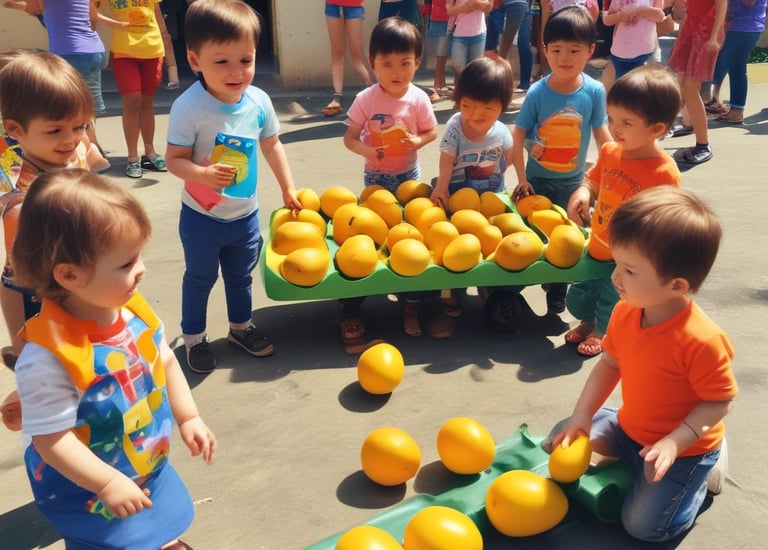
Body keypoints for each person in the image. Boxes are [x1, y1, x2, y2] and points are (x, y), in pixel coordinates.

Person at [12, 168, 216, 549]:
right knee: (107, 542)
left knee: (153, 524)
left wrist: (189, 416)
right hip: (88, 491)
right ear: (70, 275)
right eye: (125, 265)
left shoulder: (133, 313)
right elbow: (51, 440)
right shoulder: (50, 356)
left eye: (137, 257)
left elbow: (165, 361)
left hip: (142, 465)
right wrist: (106, 482)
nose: (141, 271)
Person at [545, 185, 737, 541]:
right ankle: (625, 451)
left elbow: (718, 401)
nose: (615, 277)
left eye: (630, 271)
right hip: (629, 428)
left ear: (677, 285)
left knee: (645, 528)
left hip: (682, 449)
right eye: (617, 263)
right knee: (562, 434)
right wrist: (583, 414)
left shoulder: (702, 340)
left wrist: (676, 442)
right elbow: (609, 366)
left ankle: (706, 472)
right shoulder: (625, 311)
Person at [166, 0, 301, 373]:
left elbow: (272, 145)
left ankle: (241, 328)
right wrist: (203, 175)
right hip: (201, 216)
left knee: (241, 276)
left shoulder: (258, 101)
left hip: (244, 213)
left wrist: (288, 188)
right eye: (221, 61)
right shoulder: (189, 107)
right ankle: (194, 337)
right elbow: (174, 159)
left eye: (246, 60)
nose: (236, 72)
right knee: (200, 277)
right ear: (194, 60)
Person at [564, 65, 682, 356]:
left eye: (627, 123)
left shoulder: (664, 172)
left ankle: (603, 330)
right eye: (612, 118)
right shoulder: (610, 152)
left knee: (612, 296)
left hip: (632, 255)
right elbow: (592, 181)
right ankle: (587, 320)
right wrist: (582, 193)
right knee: (582, 291)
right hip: (599, 241)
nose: (615, 128)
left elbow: (667, 221)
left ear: (657, 129)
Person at [342, 16, 438, 349]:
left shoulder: (419, 99)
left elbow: (431, 132)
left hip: (408, 177)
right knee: (373, 237)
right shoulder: (366, 99)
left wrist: (418, 141)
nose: (396, 72)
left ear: (417, 63)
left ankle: (410, 304)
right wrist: (369, 150)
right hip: (376, 178)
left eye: (405, 63)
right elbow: (350, 138)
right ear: (372, 64)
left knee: (408, 237)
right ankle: (360, 299)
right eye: (387, 64)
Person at [510, 5, 612, 314]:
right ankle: (512, 290)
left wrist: (615, 165)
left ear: (590, 50)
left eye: (573, 50)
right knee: (534, 239)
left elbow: (602, 134)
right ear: (545, 50)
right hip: (537, 183)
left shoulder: (594, 91)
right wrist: (522, 178)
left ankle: (557, 288)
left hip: (574, 186)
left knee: (568, 242)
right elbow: (517, 136)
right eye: (556, 50)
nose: (564, 58)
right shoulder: (538, 93)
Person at [0, 50, 96, 362]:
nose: (71, 139)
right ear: (15, 130)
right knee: (48, 368)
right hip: (43, 294)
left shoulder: (75, 150)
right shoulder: (17, 190)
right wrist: (21, 345)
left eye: (80, 126)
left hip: (86, 277)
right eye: (55, 130)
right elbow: (15, 283)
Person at [430, 56, 514, 339]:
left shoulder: (502, 132)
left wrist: (518, 181)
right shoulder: (456, 126)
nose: (475, 116)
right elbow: (447, 159)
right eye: (467, 107)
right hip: (456, 201)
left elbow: (511, 158)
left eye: (487, 110)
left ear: (502, 107)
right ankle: (450, 306)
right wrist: (441, 187)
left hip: (490, 202)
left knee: (494, 249)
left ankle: (490, 292)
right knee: (453, 253)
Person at [22, 0, 114, 172]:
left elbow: (35, 8)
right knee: (86, 105)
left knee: (70, 106)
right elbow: (90, 15)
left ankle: (90, 151)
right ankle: (94, 151)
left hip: (69, 52)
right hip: (93, 50)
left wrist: (25, 5)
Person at [100, 0, 168, 178]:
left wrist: (166, 43)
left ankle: (150, 152)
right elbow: (89, 9)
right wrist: (113, 24)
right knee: (132, 101)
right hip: (124, 52)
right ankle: (132, 157)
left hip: (153, 49)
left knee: (146, 101)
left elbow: (158, 15)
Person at [666, 0, 727, 165]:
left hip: (706, 34)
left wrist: (715, 36)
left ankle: (703, 145)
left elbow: (722, 6)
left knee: (691, 89)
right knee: (682, 85)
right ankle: (687, 124)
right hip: (690, 30)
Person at [702, 0, 767, 124]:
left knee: (726, 67)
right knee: (735, 68)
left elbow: (749, 2)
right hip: (741, 26)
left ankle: (730, 109)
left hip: (744, 27)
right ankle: (731, 108)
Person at [323, 1, 373, 117]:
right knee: (337, 53)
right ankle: (337, 97)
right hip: (333, 5)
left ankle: (372, 89)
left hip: (354, 5)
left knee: (356, 54)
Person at [602, 0, 665, 79]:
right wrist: (620, 16)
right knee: (626, 86)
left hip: (647, 51)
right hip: (621, 53)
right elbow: (607, 19)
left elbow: (660, 16)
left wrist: (639, 11)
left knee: (649, 86)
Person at [538, 0, 600, 74]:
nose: (564, 58)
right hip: (556, 42)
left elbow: (590, 31)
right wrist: (542, 68)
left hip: (578, 46)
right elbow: (545, 30)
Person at [447, 0, 494, 78]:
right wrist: (464, 8)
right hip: (460, 34)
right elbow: (449, 10)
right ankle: (460, 88)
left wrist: (477, 3)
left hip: (479, 34)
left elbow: (489, 7)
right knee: (458, 68)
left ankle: (471, 89)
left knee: (475, 71)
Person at [498, 0, 534, 92]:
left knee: (505, 49)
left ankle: (499, 82)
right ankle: (523, 83)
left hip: (517, 6)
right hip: (517, 6)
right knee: (521, 45)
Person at [426, 0, 454, 100]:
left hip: (457, 17)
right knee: (441, 54)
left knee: (450, 55)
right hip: (441, 17)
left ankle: (441, 87)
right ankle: (437, 87)